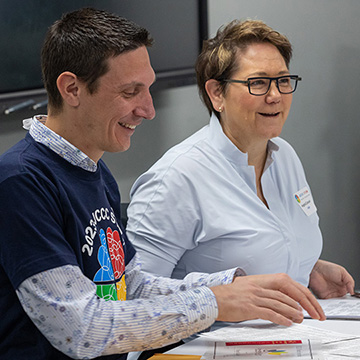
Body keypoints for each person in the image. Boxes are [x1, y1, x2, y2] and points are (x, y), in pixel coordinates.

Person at [0, 9, 326, 359]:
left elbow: (130, 286)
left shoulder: (95, 172)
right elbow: (81, 329)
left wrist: (230, 286)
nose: (148, 109)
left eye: (148, 90)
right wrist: (213, 302)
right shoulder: (22, 182)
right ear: (72, 88)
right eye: (130, 92)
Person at [127, 19, 354, 300]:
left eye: (283, 81)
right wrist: (224, 293)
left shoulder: (285, 157)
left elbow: (261, 249)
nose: (275, 96)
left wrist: (306, 268)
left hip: (286, 336)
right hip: (202, 342)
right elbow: (133, 297)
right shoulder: (176, 178)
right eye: (258, 83)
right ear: (216, 93)